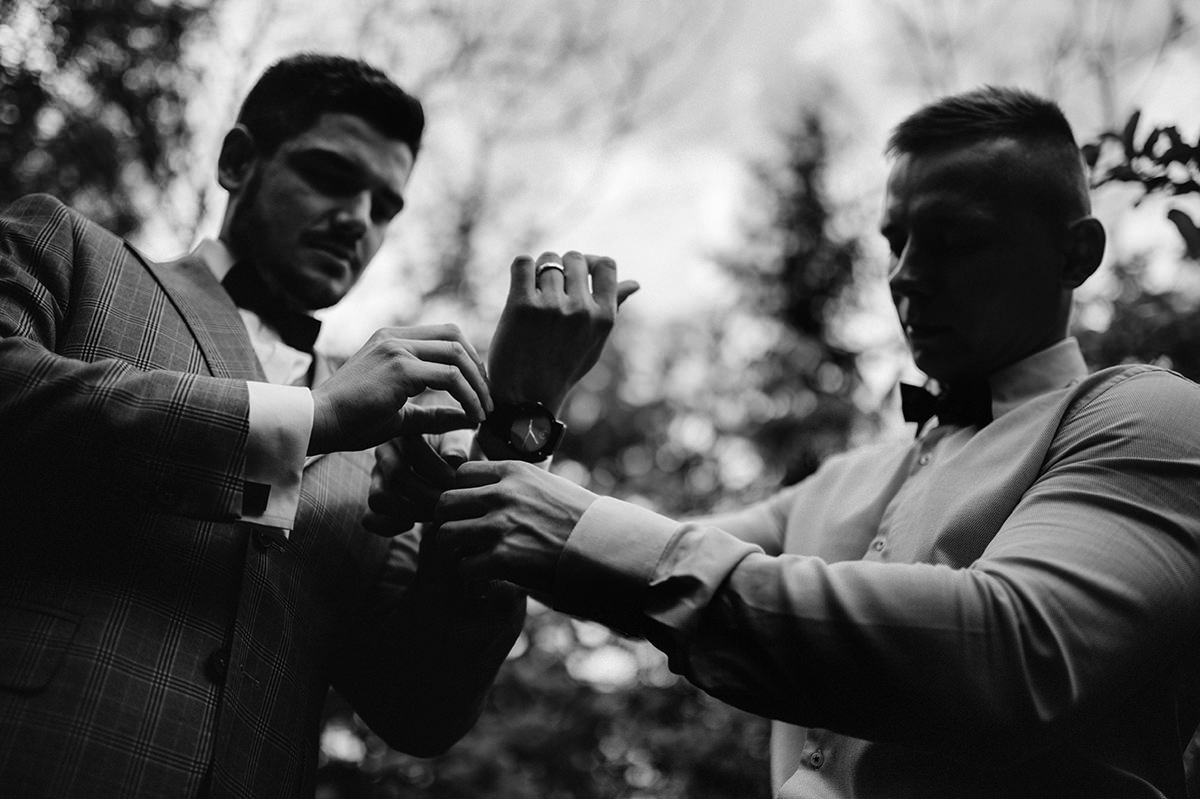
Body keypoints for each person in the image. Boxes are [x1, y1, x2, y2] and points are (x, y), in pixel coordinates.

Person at [410, 86, 1200, 797]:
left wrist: (571, 527)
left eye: (954, 238)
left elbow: (1012, 653)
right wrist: (520, 416)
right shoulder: (838, 484)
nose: (905, 274)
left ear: (1076, 254)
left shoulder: (1152, 417)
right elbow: (609, 560)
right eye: (896, 240)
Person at [0, 53, 633, 798]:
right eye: (332, 175)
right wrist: (315, 418)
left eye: (385, 207)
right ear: (239, 161)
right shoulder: (70, 250)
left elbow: (421, 709)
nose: (359, 219)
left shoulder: (390, 441)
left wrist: (516, 432)